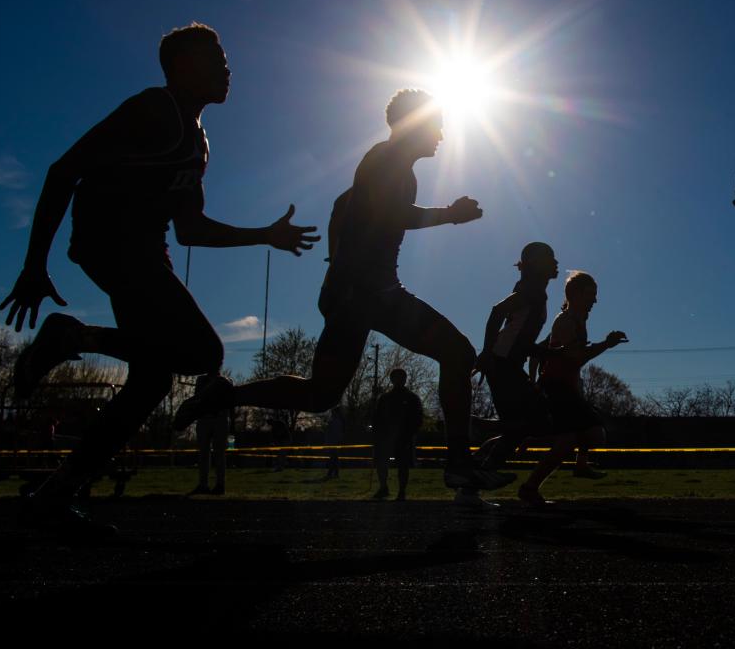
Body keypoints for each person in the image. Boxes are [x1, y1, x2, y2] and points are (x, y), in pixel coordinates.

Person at [0, 23, 319, 537]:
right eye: (216, 58)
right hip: (113, 244)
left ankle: (53, 496)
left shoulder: (199, 142)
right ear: (183, 66)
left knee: (151, 380)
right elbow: (64, 171)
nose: (228, 68)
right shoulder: (152, 108)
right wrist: (35, 264)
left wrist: (264, 235)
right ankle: (73, 336)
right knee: (204, 354)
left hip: (148, 252)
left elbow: (190, 230)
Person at [174, 89, 514, 492]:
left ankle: (222, 396)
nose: (441, 133)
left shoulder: (387, 166)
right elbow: (391, 214)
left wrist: (335, 271)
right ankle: (458, 462)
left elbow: (343, 206)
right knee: (456, 352)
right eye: (436, 123)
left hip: (360, 293)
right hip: (370, 294)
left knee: (321, 395)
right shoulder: (386, 159)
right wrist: (450, 215)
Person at [460, 241, 567, 508]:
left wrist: (545, 352)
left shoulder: (535, 291)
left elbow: (520, 338)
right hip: (501, 364)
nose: (555, 262)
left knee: (521, 428)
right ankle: (479, 427)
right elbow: (498, 311)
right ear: (535, 264)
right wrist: (486, 352)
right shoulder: (533, 291)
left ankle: (470, 485)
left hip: (506, 363)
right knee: (535, 423)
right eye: (549, 258)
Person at [518, 270, 626, 507]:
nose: (595, 301)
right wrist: (606, 345)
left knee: (591, 434)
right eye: (591, 295)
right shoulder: (566, 321)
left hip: (565, 387)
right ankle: (530, 477)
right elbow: (575, 358)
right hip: (556, 388)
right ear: (575, 295)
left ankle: (574, 463)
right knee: (576, 438)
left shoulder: (577, 319)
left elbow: (543, 349)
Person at [372, 368, 424, 501]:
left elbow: (418, 419)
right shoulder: (385, 398)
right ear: (392, 380)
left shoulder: (411, 398)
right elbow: (377, 418)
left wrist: (409, 434)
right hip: (386, 437)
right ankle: (384, 488)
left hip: (403, 437)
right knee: (382, 463)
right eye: (397, 378)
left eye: (401, 377)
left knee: (403, 465)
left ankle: (401, 491)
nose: (399, 380)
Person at [190, 405, 230, 495]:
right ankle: (204, 485)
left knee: (218, 453)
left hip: (219, 416)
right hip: (206, 417)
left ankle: (219, 485)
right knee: (205, 453)